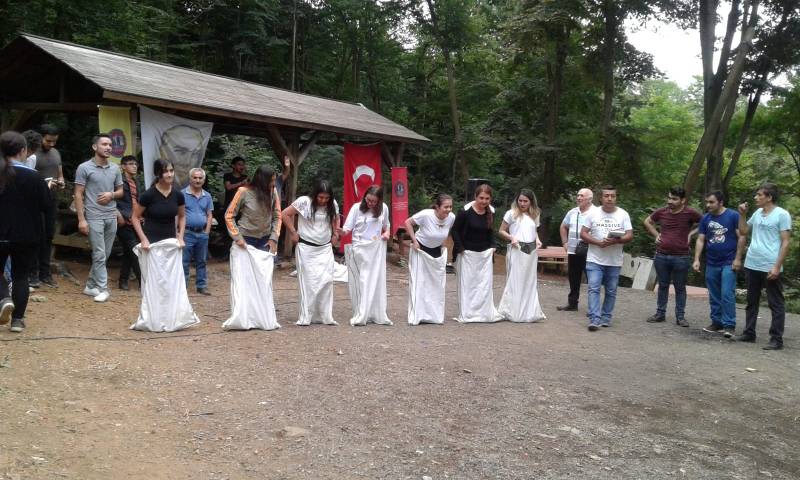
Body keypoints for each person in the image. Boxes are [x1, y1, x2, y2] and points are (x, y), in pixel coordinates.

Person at [0, 131, 49, 332]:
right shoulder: (35, 177)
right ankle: (17, 320)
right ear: (23, 151)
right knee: (21, 276)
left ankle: (4, 298)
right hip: (27, 234)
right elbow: (46, 206)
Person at [736, 183, 792, 350]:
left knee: (775, 303)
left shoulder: (782, 214)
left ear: (769, 197)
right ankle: (749, 333)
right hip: (752, 263)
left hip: (770, 265)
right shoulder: (757, 213)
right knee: (751, 301)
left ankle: (776, 339)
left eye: (759, 195)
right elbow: (743, 231)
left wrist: (777, 266)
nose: (756, 197)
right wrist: (742, 215)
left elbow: (785, 242)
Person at [282, 179, 340, 326]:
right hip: (306, 248)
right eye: (320, 197)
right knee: (309, 283)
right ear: (315, 194)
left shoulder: (332, 204)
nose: (323, 200)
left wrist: (335, 234)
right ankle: (306, 316)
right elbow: (285, 214)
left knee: (326, 281)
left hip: (325, 248)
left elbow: (335, 218)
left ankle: (324, 316)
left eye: (326, 198)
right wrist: (293, 232)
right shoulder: (304, 202)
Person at [74, 133, 123, 303]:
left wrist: (111, 194)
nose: (108, 147)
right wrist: (82, 219)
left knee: (104, 254)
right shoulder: (84, 168)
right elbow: (78, 194)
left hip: (111, 215)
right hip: (93, 216)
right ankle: (103, 288)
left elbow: (121, 192)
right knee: (100, 254)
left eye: (110, 144)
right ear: (95, 147)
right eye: (104, 144)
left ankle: (90, 285)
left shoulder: (115, 168)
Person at [643, 186, 701, 327]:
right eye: (669, 198)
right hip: (661, 255)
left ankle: (680, 317)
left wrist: (691, 234)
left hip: (681, 257)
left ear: (683, 200)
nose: (670, 201)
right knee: (662, 285)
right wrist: (656, 235)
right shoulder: (662, 212)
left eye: (674, 199)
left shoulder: (690, 213)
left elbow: (705, 223)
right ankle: (660, 314)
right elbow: (647, 221)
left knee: (680, 287)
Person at [580, 185, 633, 331]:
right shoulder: (593, 213)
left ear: (616, 198)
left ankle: (606, 317)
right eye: (606, 196)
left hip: (614, 260)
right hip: (594, 258)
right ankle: (594, 319)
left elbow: (629, 235)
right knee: (594, 288)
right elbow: (583, 233)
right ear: (601, 198)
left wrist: (617, 240)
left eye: (613, 196)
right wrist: (598, 242)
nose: (610, 198)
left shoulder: (623, 214)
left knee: (611, 290)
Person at [693, 191, 742, 338]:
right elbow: (701, 239)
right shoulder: (706, 218)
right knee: (714, 294)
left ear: (721, 202)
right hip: (711, 261)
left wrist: (738, 258)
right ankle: (717, 322)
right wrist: (696, 259)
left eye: (711, 202)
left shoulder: (733, 216)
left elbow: (741, 237)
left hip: (729, 261)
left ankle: (729, 325)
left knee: (727, 293)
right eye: (707, 202)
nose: (708, 205)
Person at [341, 185, 392, 326]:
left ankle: (373, 312)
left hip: (376, 248)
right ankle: (361, 312)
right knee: (362, 280)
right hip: (359, 247)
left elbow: (387, 225)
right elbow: (347, 229)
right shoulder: (356, 208)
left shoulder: (384, 208)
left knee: (375, 279)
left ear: (379, 200)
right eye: (368, 200)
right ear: (365, 197)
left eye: (374, 201)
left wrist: (387, 233)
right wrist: (340, 232)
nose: (370, 203)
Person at [451, 184, 500, 323]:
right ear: (475, 197)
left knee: (483, 285)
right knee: (468, 284)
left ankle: (482, 312)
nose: (484, 201)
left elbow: (490, 231)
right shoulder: (465, 212)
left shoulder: (491, 212)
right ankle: (468, 312)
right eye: (481, 198)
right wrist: (461, 248)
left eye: (487, 198)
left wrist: (493, 245)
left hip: (484, 254)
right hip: (467, 253)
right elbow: (455, 230)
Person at [404, 193, 455, 325]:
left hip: (436, 251)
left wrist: (442, 243)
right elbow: (407, 222)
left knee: (434, 283)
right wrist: (414, 241)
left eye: (450, 207)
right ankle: (417, 314)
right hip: (420, 249)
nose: (449, 210)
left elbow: (446, 232)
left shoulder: (451, 218)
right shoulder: (426, 214)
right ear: (437, 207)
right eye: (446, 207)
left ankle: (433, 315)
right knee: (419, 281)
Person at [497, 189, 546, 323]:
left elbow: (534, 230)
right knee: (515, 280)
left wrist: (537, 240)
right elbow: (501, 231)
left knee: (529, 281)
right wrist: (512, 237)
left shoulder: (535, 214)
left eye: (525, 201)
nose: (522, 203)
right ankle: (512, 311)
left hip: (531, 251)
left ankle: (529, 312)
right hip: (517, 249)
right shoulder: (511, 213)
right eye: (520, 200)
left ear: (531, 202)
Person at [32, 124, 65, 288]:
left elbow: (59, 173)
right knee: (36, 235)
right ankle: (32, 273)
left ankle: (45, 273)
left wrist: (61, 181)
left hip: (51, 199)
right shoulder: (32, 154)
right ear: (41, 137)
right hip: (34, 201)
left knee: (49, 235)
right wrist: (45, 183)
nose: (51, 144)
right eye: (48, 141)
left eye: (54, 141)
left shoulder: (56, 153)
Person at [557, 188, 598, 311]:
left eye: (582, 196)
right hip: (573, 251)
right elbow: (563, 226)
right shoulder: (572, 212)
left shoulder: (597, 212)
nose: (578, 198)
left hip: (590, 251)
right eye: (578, 195)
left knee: (592, 280)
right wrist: (565, 242)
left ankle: (593, 308)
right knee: (573, 278)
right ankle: (572, 303)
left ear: (590, 199)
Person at [225, 165, 282, 252]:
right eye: (271, 181)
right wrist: (237, 237)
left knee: (267, 261)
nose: (274, 183)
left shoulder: (273, 191)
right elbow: (229, 216)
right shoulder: (243, 191)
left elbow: (278, 216)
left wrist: (274, 238)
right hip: (245, 238)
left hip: (266, 239)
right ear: (262, 181)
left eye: (274, 180)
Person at [131, 159, 186, 247]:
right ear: (157, 173)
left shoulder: (178, 195)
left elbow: (182, 216)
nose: (169, 175)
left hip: (171, 241)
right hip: (151, 243)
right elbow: (135, 217)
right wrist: (143, 239)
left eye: (171, 171)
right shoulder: (148, 195)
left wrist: (180, 237)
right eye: (165, 171)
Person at [182, 168, 213, 295]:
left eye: (200, 178)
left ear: (204, 180)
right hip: (187, 233)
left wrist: (207, 232)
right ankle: (183, 287)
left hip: (202, 233)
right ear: (190, 179)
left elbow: (209, 215)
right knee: (184, 261)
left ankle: (201, 285)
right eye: (195, 177)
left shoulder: (207, 196)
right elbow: (178, 215)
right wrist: (178, 233)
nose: (197, 180)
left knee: (202, 261)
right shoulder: (182, 194)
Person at [115, 155, 143, 291]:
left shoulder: (136, 181)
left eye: (135, 164)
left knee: (129, 252)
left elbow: (138, 201)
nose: (134, 166)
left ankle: (123, 281)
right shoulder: (118, 180)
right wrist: (118, 214)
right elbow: (112, 199)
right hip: (124, 220)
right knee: (135, 251)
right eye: (131, 164)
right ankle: (143, 282)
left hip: (136, 220)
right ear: (123, 166)